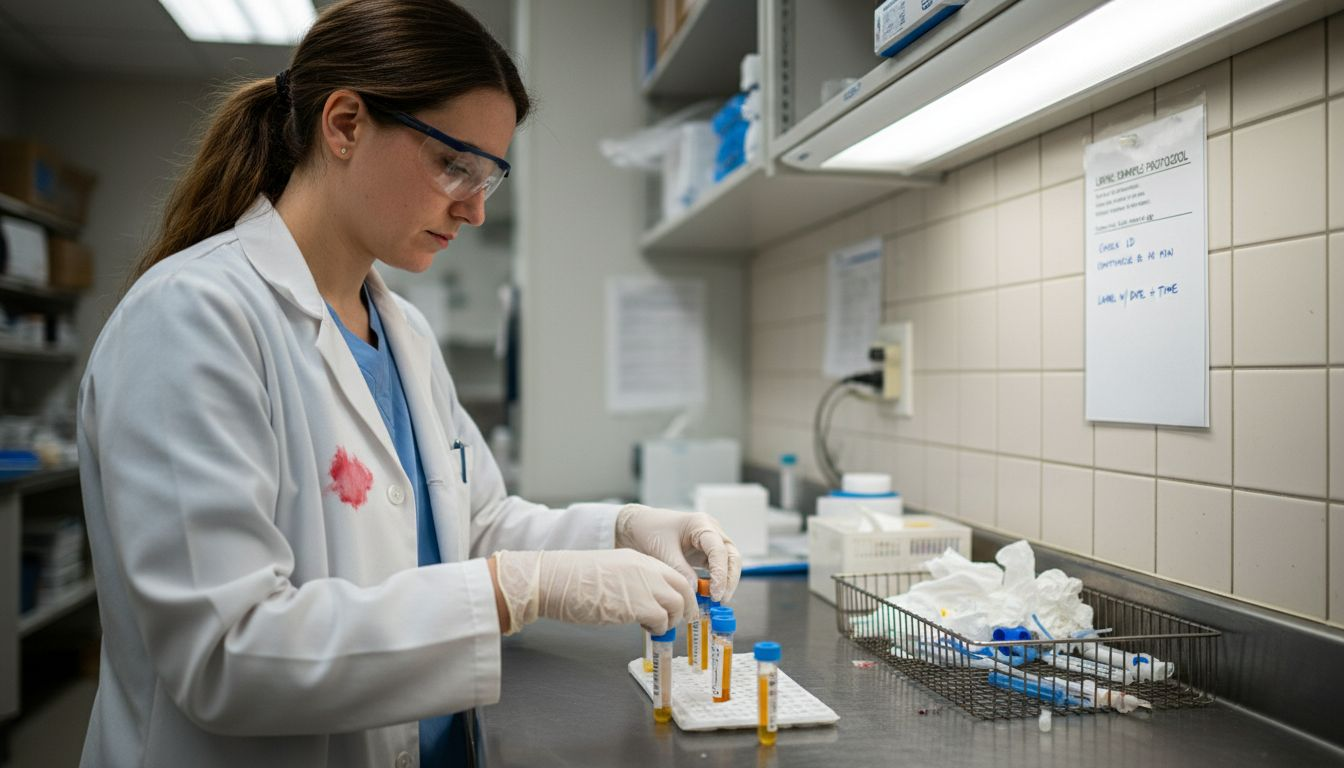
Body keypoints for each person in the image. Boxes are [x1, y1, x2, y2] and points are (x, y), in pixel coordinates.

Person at [75, 1, 740, 766]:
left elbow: (474, 525)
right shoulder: (191, 319)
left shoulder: (405, 333)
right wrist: (512, 590)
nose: (477, 208)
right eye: (455, 165)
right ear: (346, 124)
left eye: (489, 174)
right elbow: (229, 654)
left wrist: (620, 530)